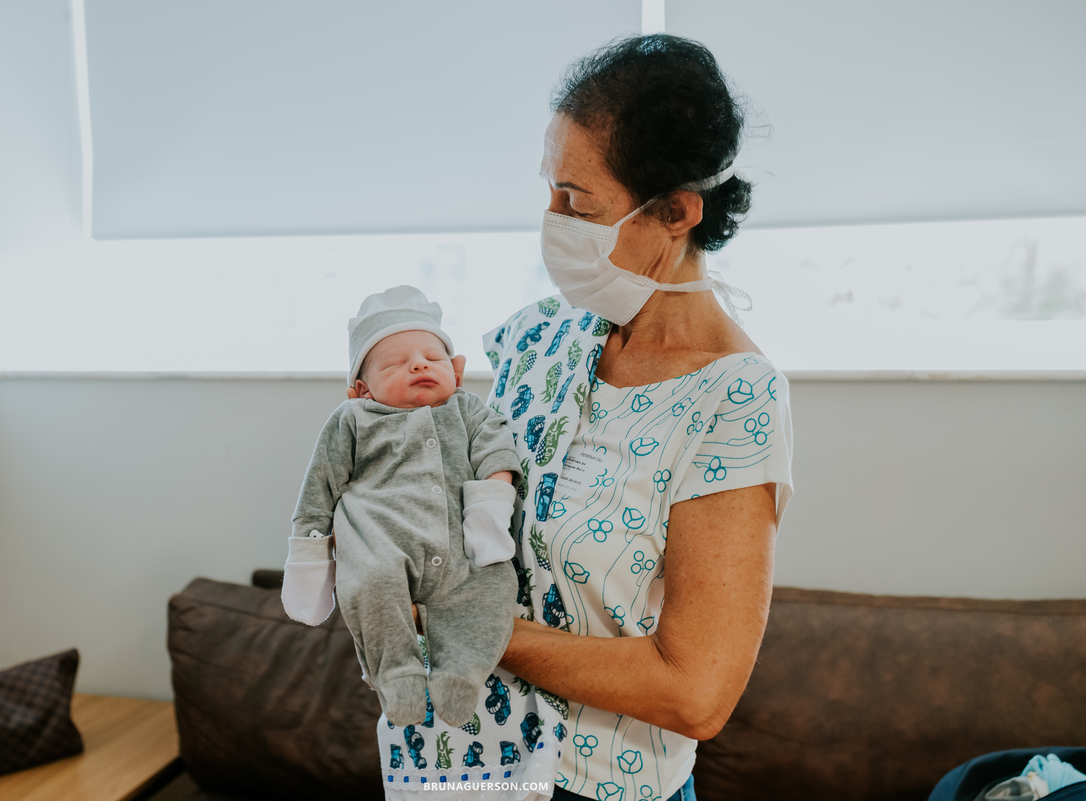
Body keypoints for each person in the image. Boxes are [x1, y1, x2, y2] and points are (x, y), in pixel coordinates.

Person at [485, 33, 795, 801]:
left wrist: (475, 631)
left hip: (592, 787)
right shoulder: (537, 337)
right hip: (468, 760)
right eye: (550, 190)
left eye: (576, 200)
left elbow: (696, 691)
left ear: (676, 213)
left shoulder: (733, 398)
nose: (552, 219)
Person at [282, 285, 522, 729]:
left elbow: (496, 449)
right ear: (360, 389)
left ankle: (462, 674)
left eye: (432, 358)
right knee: (368, 589)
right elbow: (320, 486)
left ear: (457, 371)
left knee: (492, 591)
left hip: (461, 553)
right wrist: (309, 557)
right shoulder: (352, 420)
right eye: (395, 363)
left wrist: (490, 502)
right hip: (380, 547)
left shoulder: (467, 409)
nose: (418, 364)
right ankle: (396, 676)